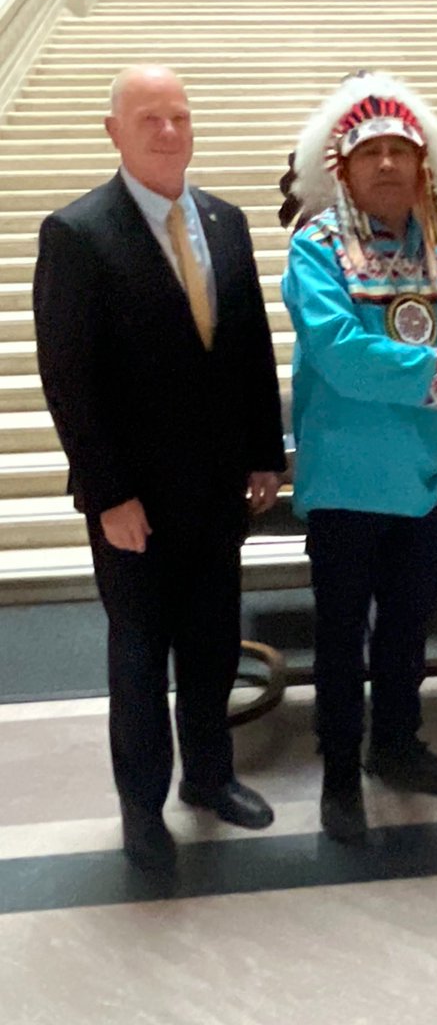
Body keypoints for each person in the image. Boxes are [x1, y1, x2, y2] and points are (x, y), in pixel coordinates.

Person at [33, 65, 286, 874]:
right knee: (140, 659)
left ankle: (210, 777)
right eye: (150, 118)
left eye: (179, 115)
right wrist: (108, 494)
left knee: (213, 645)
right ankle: (141, 809)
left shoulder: (225, 221)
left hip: (216, 492)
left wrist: (264, 451)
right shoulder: (77, 233)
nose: (169, 131)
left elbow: (247, 345)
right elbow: (68, 379)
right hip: (134, 502)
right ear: (115, 131)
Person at [281, 71, 437, 844]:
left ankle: (397, 745)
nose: (389, 164)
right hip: (347, 478)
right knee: (341, 633)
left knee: (408, 625)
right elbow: (339, 352)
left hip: (429, 478)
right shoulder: (317, 250)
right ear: (341, 167)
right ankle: (340, 771)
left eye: (402, 150)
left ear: (423, 165)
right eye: (371, 152)